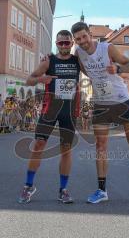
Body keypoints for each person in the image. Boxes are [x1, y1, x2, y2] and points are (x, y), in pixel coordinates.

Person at [71, 22, 129, 204]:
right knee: (100, 147)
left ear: (90, 34)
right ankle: (102, 191)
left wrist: (117, 69)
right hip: (101, 104)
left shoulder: (107, 48)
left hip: (121, 101)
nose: (82, 41)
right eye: (78, 39)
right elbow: (82, 70)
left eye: (84, 36)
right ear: (75, 41)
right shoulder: (78, 53)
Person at [18, 30, 81, 204]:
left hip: (68, 112)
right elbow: (29, 80)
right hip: (49, 111)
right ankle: (28, 186)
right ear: (56, 43)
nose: (63, 46)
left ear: (71, 44)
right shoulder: (48, 61)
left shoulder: (77, 61)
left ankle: (63, 190)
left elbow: (94, 70)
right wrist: (41, 79)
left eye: (66, 43)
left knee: (66, 150)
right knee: (38, 145)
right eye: (60, 43)